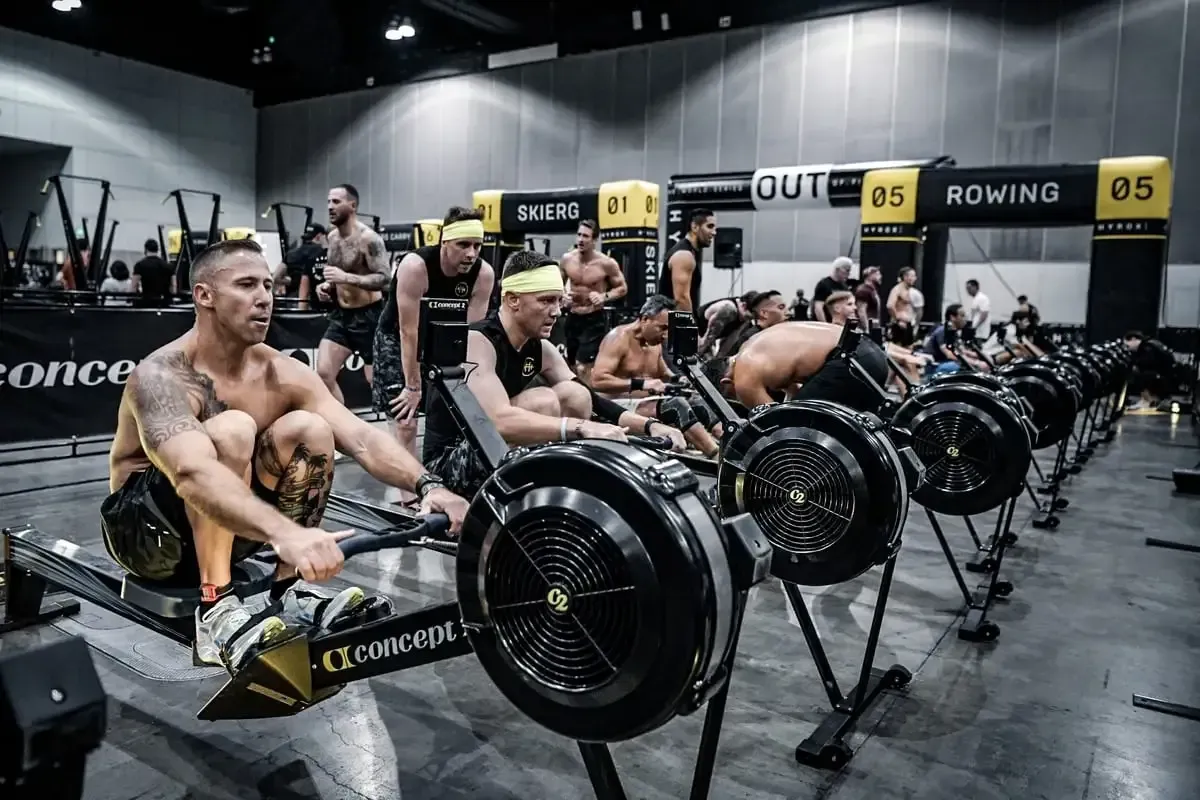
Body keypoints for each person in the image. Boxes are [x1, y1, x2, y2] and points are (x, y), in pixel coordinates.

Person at [100, 239, 469, 673]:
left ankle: (287, 587)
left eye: (267, 285)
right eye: (245, 285)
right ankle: (215, 610)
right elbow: (190, 472)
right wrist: (283, 531)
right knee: (233, 428)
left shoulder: (281, 371)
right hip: (147, 539)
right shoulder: (162, 376)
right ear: (205, 296)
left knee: (310, 429)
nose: (264, 298)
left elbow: (361, 437)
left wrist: (431, 486)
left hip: (227, 527)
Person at [422, 251, 687, 498]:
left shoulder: (541, 349)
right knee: (544, 402)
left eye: (559, 301)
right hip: (449, 463)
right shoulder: (478, 341)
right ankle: (531, 495)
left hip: (494, 451)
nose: (557, 311)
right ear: (513, 299)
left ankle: (558, 489)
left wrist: (650, 425)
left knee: (574, 394)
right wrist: (582, 428)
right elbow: (500, 421)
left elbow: (592, 401)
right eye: (546, 300)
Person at [373, 206, 495, 501]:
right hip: (398, 338)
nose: (471, 253)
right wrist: (412, 386)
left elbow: (471, 334)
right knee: (406, 417)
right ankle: (410, 498)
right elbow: (408, 332)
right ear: (444, 242)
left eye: (477, 246)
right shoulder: (415, 266)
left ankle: (446, 482)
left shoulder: (483, 274)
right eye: (463, 245)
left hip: (445, 340)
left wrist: (470, 384)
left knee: (453, 411)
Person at [590, 295, 722, 458]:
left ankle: (730, 445)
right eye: (663, 328)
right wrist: (641, 384)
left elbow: (663, 372)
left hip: (645, 403)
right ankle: (716, 456)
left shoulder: (654, 344)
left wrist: (678, 379)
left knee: (696, 399)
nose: (666, 335)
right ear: (645, 319)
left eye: (668, 329)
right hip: (615, 407)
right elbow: (597, 380)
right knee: (675, 405)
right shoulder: (618, 338)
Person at [704, 320, 890, 413]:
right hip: (872, 353)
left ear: (726, 380)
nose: (738, 397)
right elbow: (792, 394)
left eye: (730, 395)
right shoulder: (751, 347)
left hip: (850, 361)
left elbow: (773, 420)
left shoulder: (743, 374)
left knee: (800, 422)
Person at [315, 184, 389, 403]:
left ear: (353, 205)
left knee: (377, 381)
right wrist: (326, 287)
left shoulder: (369, 239)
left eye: (336, 202)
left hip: (370, 316)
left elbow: (386, 280)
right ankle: (345, 426)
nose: (330, 207)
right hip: (342, 316)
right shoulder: (332, 238)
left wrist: (346, 278)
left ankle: (395, 434)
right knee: (324, 373)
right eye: (328, 201)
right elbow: (334, 274)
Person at [561, 220, 627, 382]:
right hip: (572, 316)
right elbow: (557, 284)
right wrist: (563, 296)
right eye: (579, 235)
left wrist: (603, 297)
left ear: (594, 240)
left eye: (586, 236)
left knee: (584, 366)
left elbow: (622, 288)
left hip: (593, 319)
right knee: (571, 365)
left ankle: (589, 403)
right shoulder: (567, 259)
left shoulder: (606, 264)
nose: (581, 240)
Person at [660, 209, 717, 325]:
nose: (714, 232)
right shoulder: (684, 255)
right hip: (670, 327)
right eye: (710, 226)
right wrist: (690, 331)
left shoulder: (690, 252)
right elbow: (681, 299)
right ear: (695, 227)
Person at [714, 290, 789, 359]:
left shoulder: (773, 335)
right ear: (764, 313)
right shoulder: (750, 340)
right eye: (781, 308)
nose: (789, 313)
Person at [923, 303, 989, 375]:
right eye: (962, 316)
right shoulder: (942, 331)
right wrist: (976, 363)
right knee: (960, 366)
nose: (965, 319)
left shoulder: (954, 333)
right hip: (934, 367)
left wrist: (983, 356)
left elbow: (962, 351)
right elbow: (950, 354)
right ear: (952, 317)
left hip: (945, 363)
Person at [274, 223, 325, 310]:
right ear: (319, 236)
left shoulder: (291, 253)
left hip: (292, 300)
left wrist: (294, 281)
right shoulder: (321, 253)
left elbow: (276, 277)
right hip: (313, 302)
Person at [1123, 330, 1177, 409]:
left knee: (1137, 375)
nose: (1129, 348)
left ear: (1133, 339)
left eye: (1128, 345)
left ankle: (1146, 400)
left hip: (1163, 376)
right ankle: (1152, 399)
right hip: (1166, 374)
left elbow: (1148, 363)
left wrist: (1134, 364)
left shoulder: (1147, 347)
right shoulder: (1151, 343)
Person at [133, 238, 175, 306]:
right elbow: (173, 287)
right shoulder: (169, 266)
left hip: (147, 302)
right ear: (157, 250)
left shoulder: (139, 265)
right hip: (164, 303)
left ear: (146, 250)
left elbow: (133, 286)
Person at [810, 257, 852, 322]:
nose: (849, 274)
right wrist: (825, 325)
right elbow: (818, 308)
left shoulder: (844, 287)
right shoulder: (824, 284)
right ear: (837, 269)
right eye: (847, 270)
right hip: (827, 323)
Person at [886, 266, 919, 345]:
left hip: (907, 324)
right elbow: (890, 305)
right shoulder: (897, 289)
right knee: (899, 349)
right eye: (913, 276)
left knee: (909, 349)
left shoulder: (907, 290)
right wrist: (898, 320)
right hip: (899, 325)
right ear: (905, 277)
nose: (915, 278)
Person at [854, 266, 883, 333]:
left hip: (873, 325)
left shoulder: (872, 290)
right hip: (865, 329)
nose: (880, 277)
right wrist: (867, 328)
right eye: (878, 274)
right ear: (870, 276)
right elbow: (861, 311)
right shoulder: (863, 290)